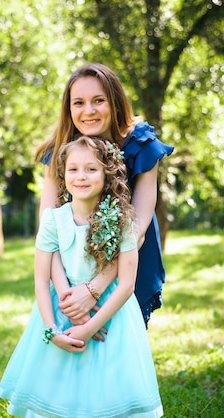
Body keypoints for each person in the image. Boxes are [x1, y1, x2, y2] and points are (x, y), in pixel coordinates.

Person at [0, 137, 163, 418]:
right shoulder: (53, 220)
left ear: (107, 175)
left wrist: (90, 326)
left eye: (91, 169)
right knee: (73, 399)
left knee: (108, 402)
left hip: (111, 321)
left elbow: (125, 284)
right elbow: (41, 280)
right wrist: (52, 327)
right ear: (62, 174)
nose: (81, 176)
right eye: (73, 169)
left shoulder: (121, 220)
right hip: (64, 316)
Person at [35, 63, 174, 328]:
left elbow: (137, 230)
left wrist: (93, 291)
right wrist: (70, 299)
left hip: (127, 265)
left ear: (115, 102)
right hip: (68, 271)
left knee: (118, 345)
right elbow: (48, 228)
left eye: (98, 100)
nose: (88, 111)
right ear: (69, 108)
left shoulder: (142, 145)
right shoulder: (59, 152)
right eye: (78, 103)